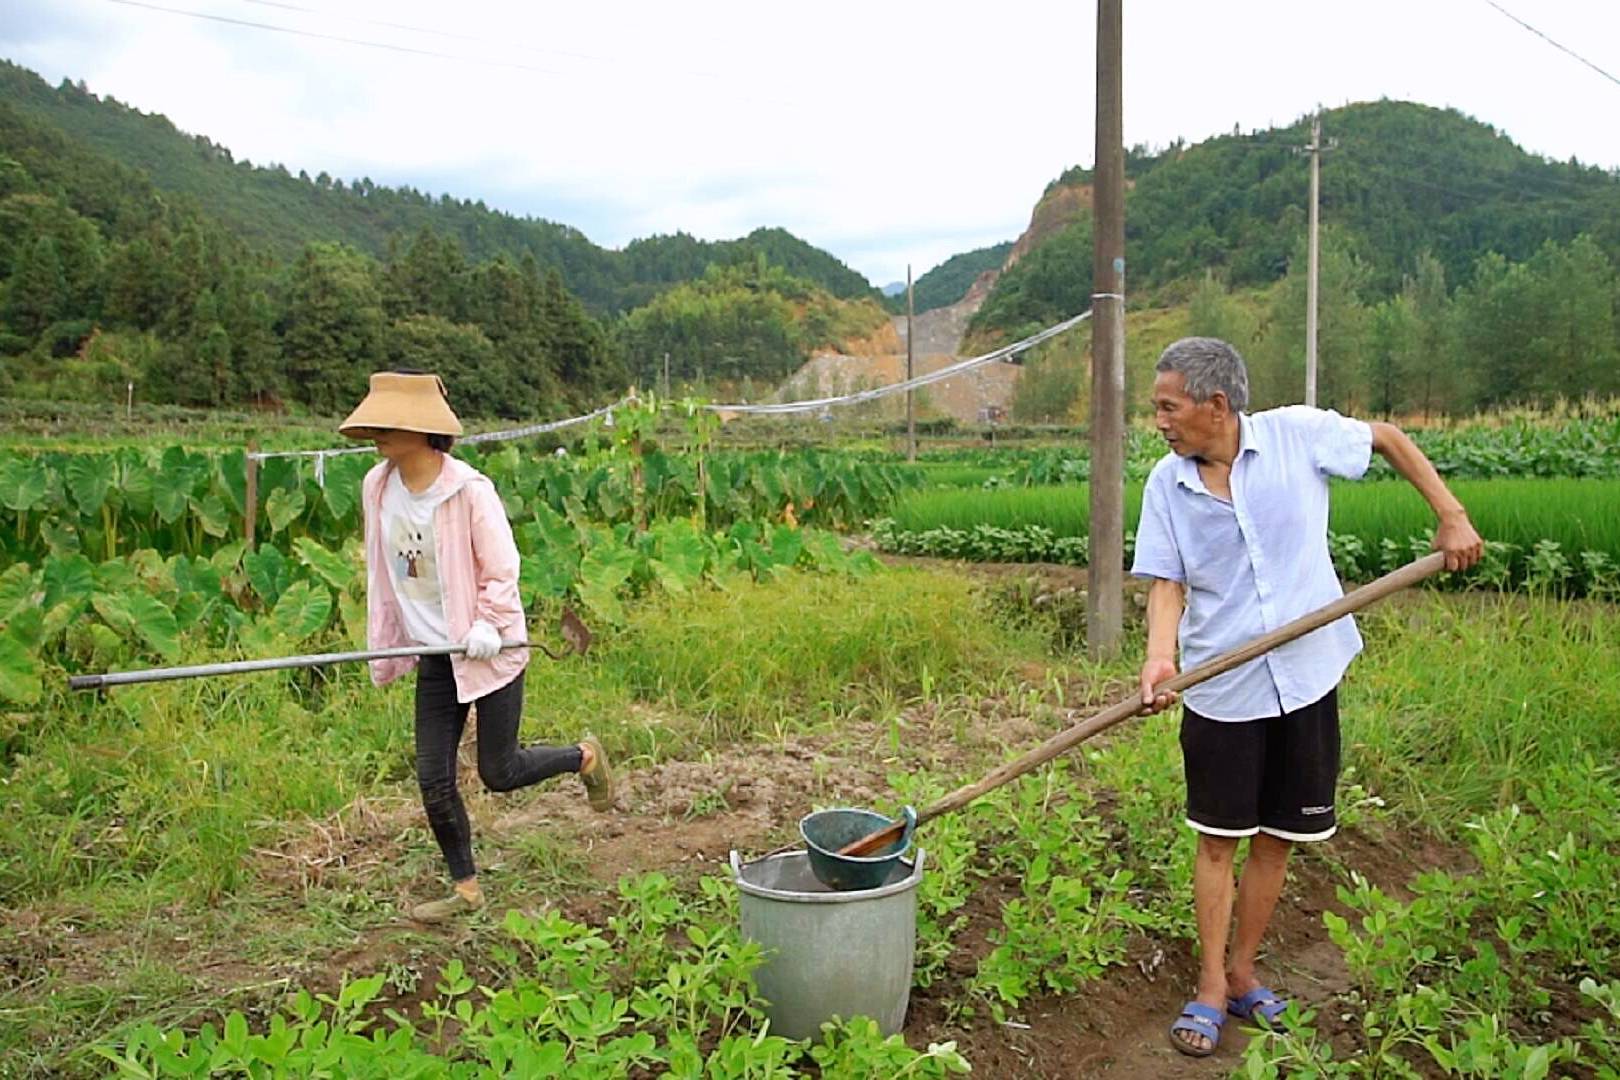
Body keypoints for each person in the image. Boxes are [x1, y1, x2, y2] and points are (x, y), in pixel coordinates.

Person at [1131, 338, 1482, 1057]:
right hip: (1221, 685)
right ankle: (1207, 986)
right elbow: (1168, 584)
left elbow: (1386, 438)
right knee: (1219, 839)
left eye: (1168, 407)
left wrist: (1450, 514)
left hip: (1307, 675)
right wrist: (1160, 658)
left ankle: (1243, 969)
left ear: (1216, 405)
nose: (1159, 422)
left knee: (1278, 837)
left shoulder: (1295, 436)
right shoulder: (1167, 485)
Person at [339, 371, 615, 923]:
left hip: (490, 648)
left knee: (499, 770)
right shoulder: (378, 485)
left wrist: (488, 624)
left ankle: (584, 758)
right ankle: (466, 891)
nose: (378, 435)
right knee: (433, 779)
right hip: (435, 653)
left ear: (423, 430)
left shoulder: (468, 492)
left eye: (389, 424)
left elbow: (501, 568)